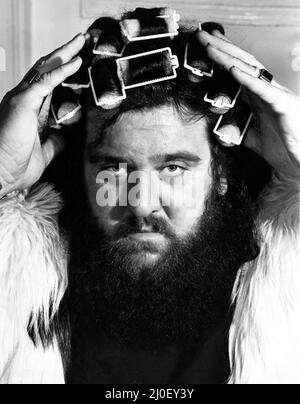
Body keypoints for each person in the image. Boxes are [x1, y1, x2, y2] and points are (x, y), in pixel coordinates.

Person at [0, 7, 299, 384]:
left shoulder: (289, 287)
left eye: (173, 168)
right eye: (114, 169)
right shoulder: (13, 280)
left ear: (220, 173)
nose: (141, 203)